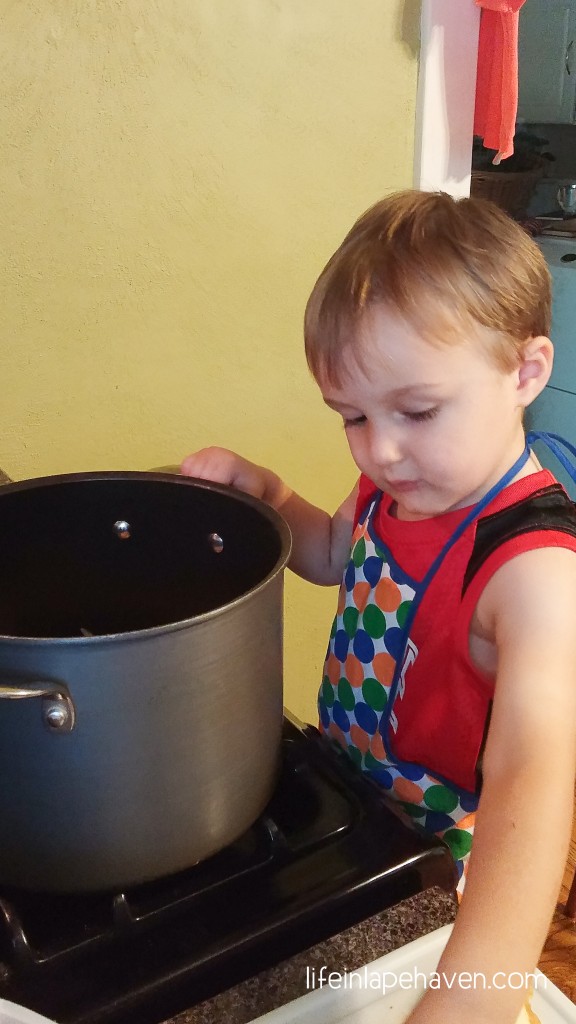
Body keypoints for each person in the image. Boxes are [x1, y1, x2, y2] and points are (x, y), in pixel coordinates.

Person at [181, 190, 576, 1023]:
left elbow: (533, 781)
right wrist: (266, 490)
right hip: (352, 802)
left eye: (417, 411)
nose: (381, 448)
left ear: (526, 372)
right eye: (352, 417)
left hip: (445, 862)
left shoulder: (535, 575)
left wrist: (472, 1000)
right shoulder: (397, 486)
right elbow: (330, 555)